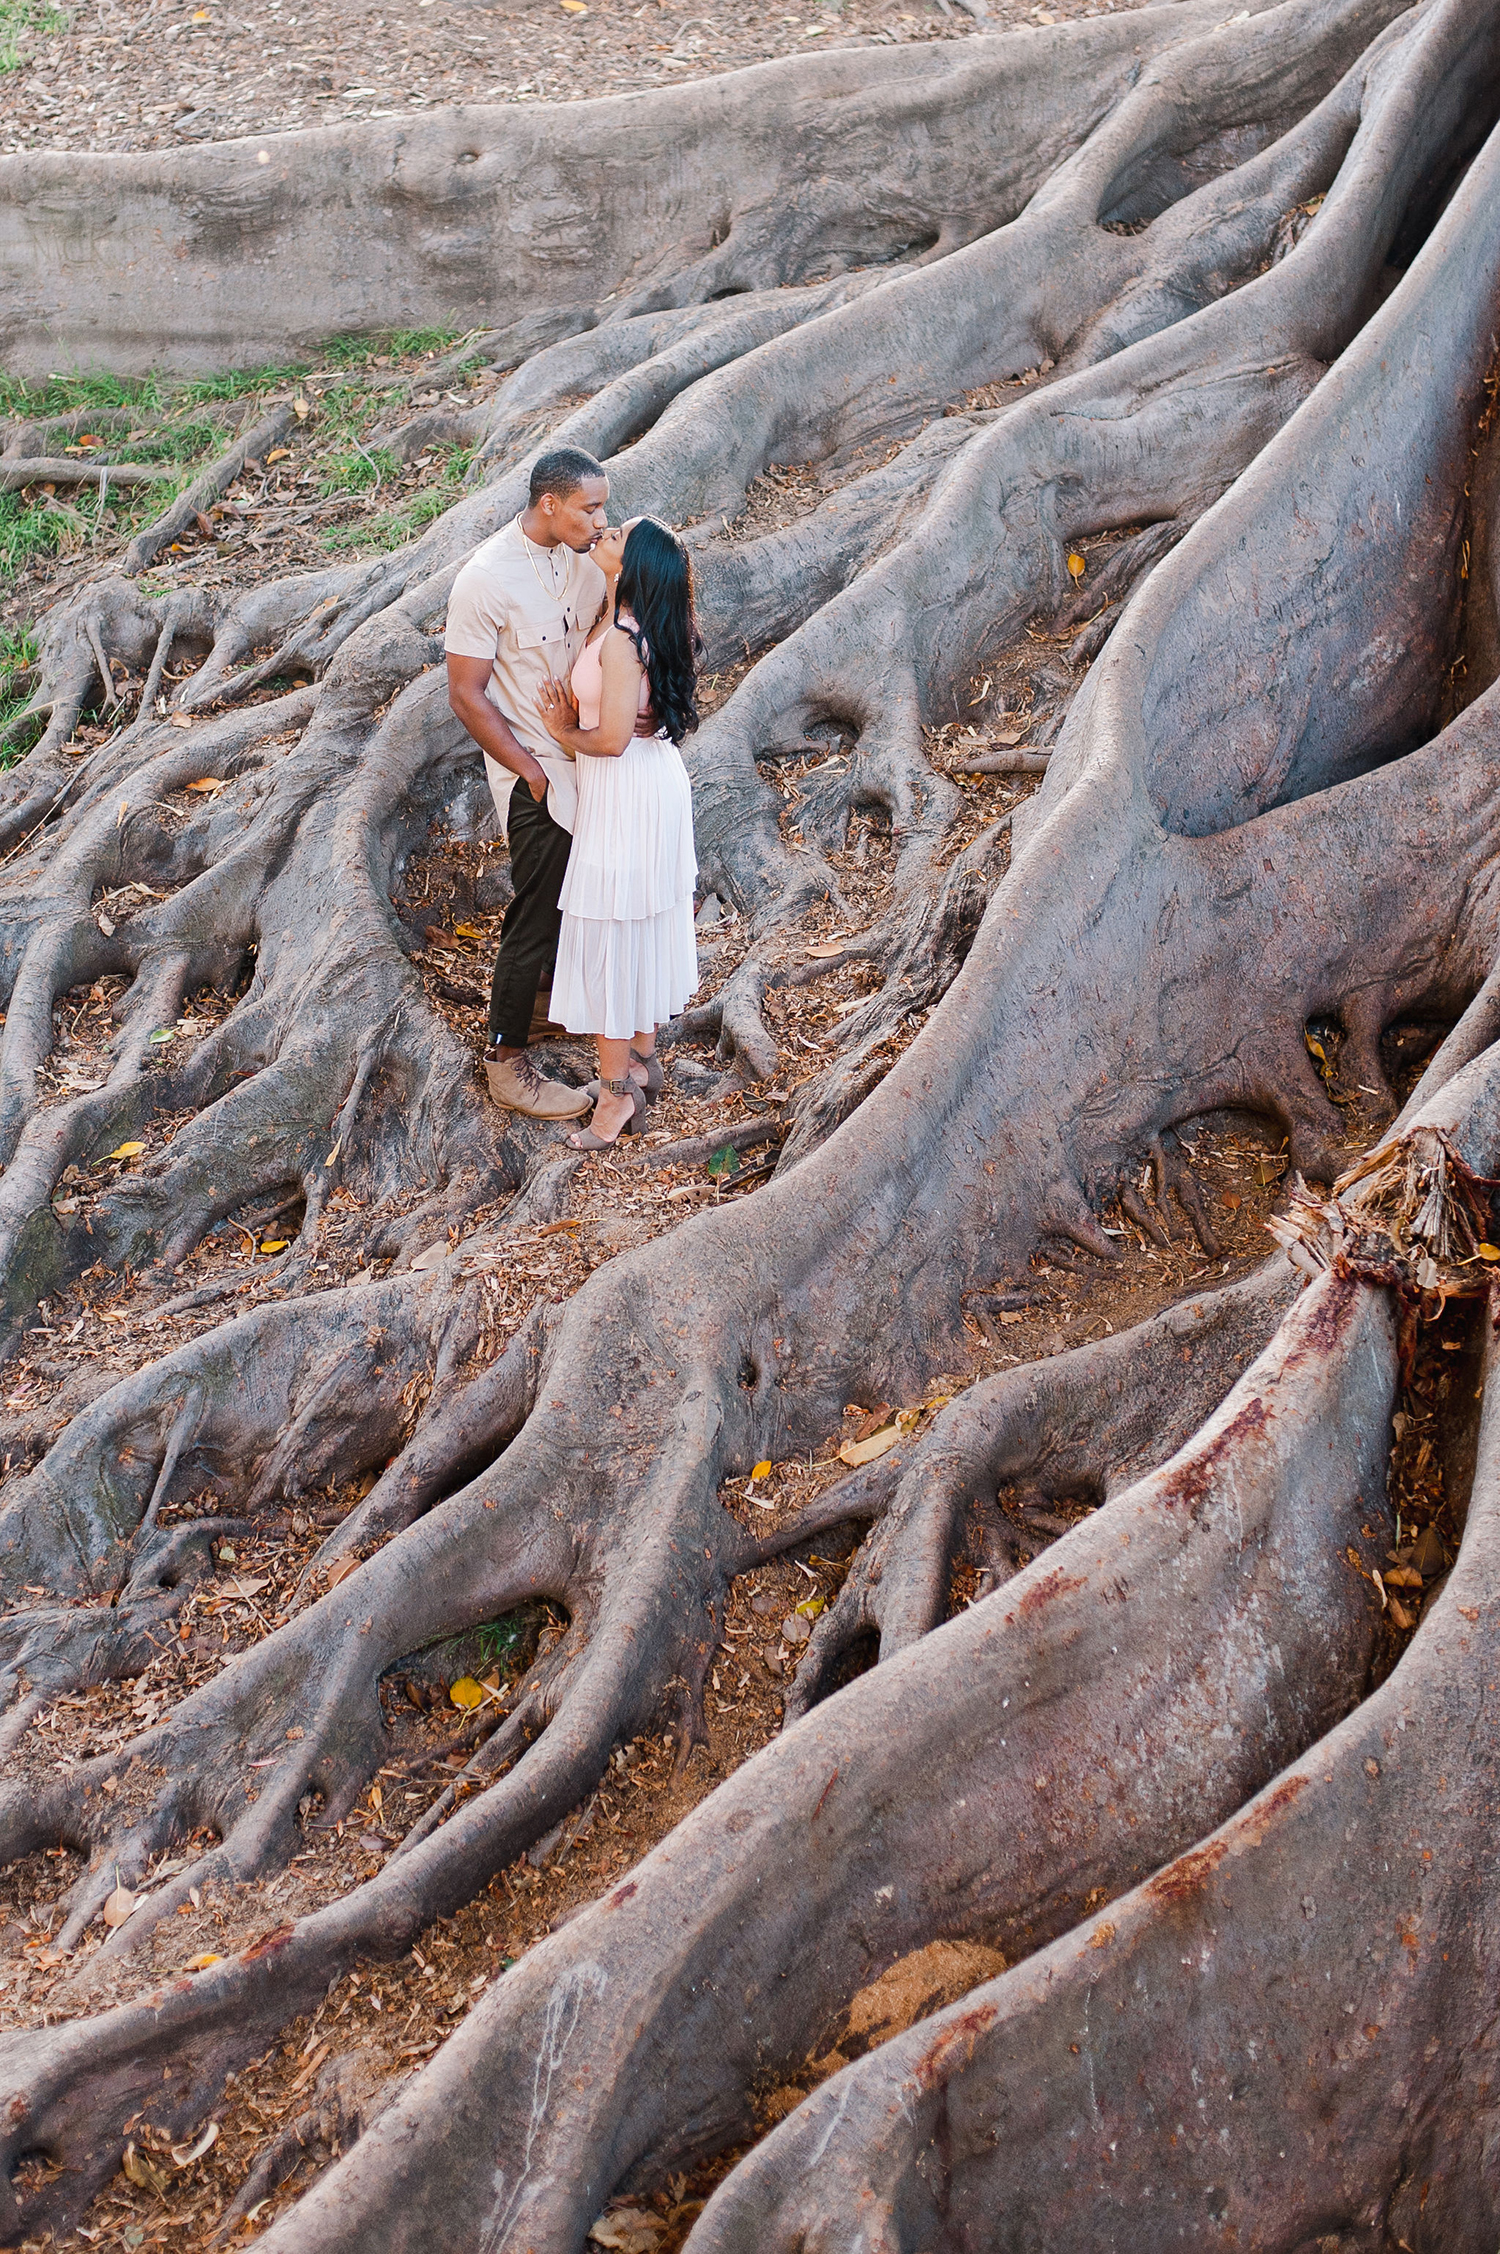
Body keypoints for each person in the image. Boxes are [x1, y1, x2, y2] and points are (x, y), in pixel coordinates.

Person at [445, 446, 651, 1120]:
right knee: (533, 913)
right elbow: (467, 695)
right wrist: (528, 770)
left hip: (592, 766)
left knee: (581, 899)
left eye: (604, 507)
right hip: (533, 776)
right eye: (591, 507)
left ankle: (548, 1011)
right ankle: (506, 1060)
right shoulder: (486, 578)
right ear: (549, 504)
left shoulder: (587, 561)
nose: (601, 519)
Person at [535, 517, 700, 1149]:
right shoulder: (640, 624)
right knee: (637, 921)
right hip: (647, 780)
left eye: (614, 537)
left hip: (627, 788)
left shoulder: (622, 640)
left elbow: (607, 740)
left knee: (609, 928)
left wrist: (560, 730)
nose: (602, 534)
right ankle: (641, 1059)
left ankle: (614, 1098)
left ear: (631, 568)